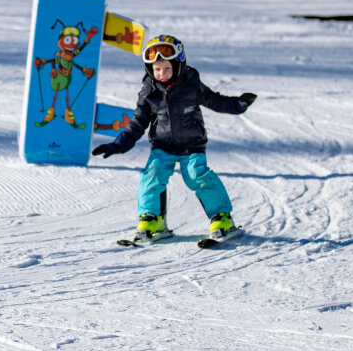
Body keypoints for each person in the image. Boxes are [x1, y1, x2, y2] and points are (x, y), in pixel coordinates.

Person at [92, 34, 256, 244]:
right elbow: (137, 122)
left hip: (192, 145)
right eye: (157, 69)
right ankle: (153, 220)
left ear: (179, 65)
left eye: (167, 69)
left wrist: (238, 105)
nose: (162, 74)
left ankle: (221, 218)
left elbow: (216, 101)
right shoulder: (149, 93)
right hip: (163, 145)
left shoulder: (192, 85)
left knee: (197, 176)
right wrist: (119, 144)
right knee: (151, 175)